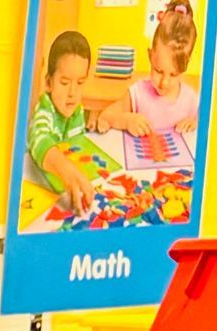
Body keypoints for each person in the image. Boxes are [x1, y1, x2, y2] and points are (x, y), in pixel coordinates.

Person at [97, 0, 200, 141]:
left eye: (173, 74)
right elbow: (105, 116)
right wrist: (127, 120)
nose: (164, 82)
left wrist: (195, 123)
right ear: (150, 56)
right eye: (158, 71)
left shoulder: (191, 99)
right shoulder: (138, 93)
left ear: (186, 66)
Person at [27, 30, 100, 213]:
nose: (73, 93)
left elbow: (78, 146)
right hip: (39, 189)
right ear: (49, 82)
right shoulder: (44, 111)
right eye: (65, 82)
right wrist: (64, 167)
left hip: (67, 191)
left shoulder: (77, 111)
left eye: (80, 83)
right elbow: (39, 138)